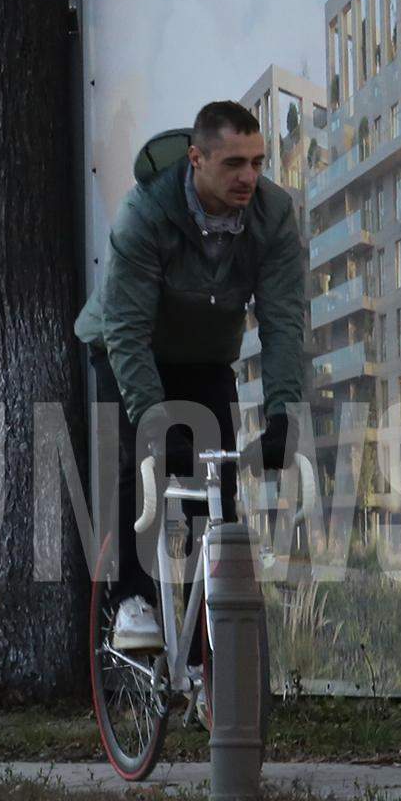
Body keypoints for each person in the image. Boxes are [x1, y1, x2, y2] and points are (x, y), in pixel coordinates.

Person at [74, 101, 305, 651]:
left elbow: (283, 321)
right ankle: (132, 601)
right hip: (126, 348)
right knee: (140, 468)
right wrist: (157, 427)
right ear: (196, 159)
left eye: (257, 161)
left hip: (204, 358)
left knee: (215, 490)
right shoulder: (144, 214)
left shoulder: (273, 216)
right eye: (233, 164)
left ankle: (209, 651)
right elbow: (127, 333)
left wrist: (282, 414)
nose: (249, 176)